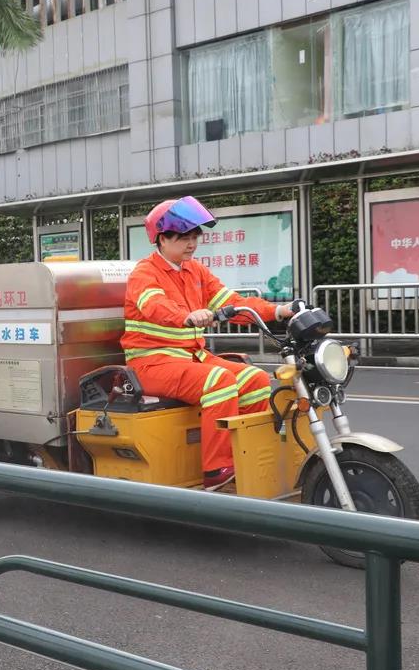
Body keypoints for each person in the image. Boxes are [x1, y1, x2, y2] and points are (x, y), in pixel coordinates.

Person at [121, 196, 294, 491]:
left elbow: (232, 302)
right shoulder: (144, 273)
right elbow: (155, 306)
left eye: (194, 237)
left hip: (191, 357)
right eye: (183, 237)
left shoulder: (195, 271)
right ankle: (217, 469)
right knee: (219, 381)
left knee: (254, 378)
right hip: (151, 362)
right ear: (162, 239)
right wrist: (187, 316)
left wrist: (279, 311)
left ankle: (247, 457)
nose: (191, 244)